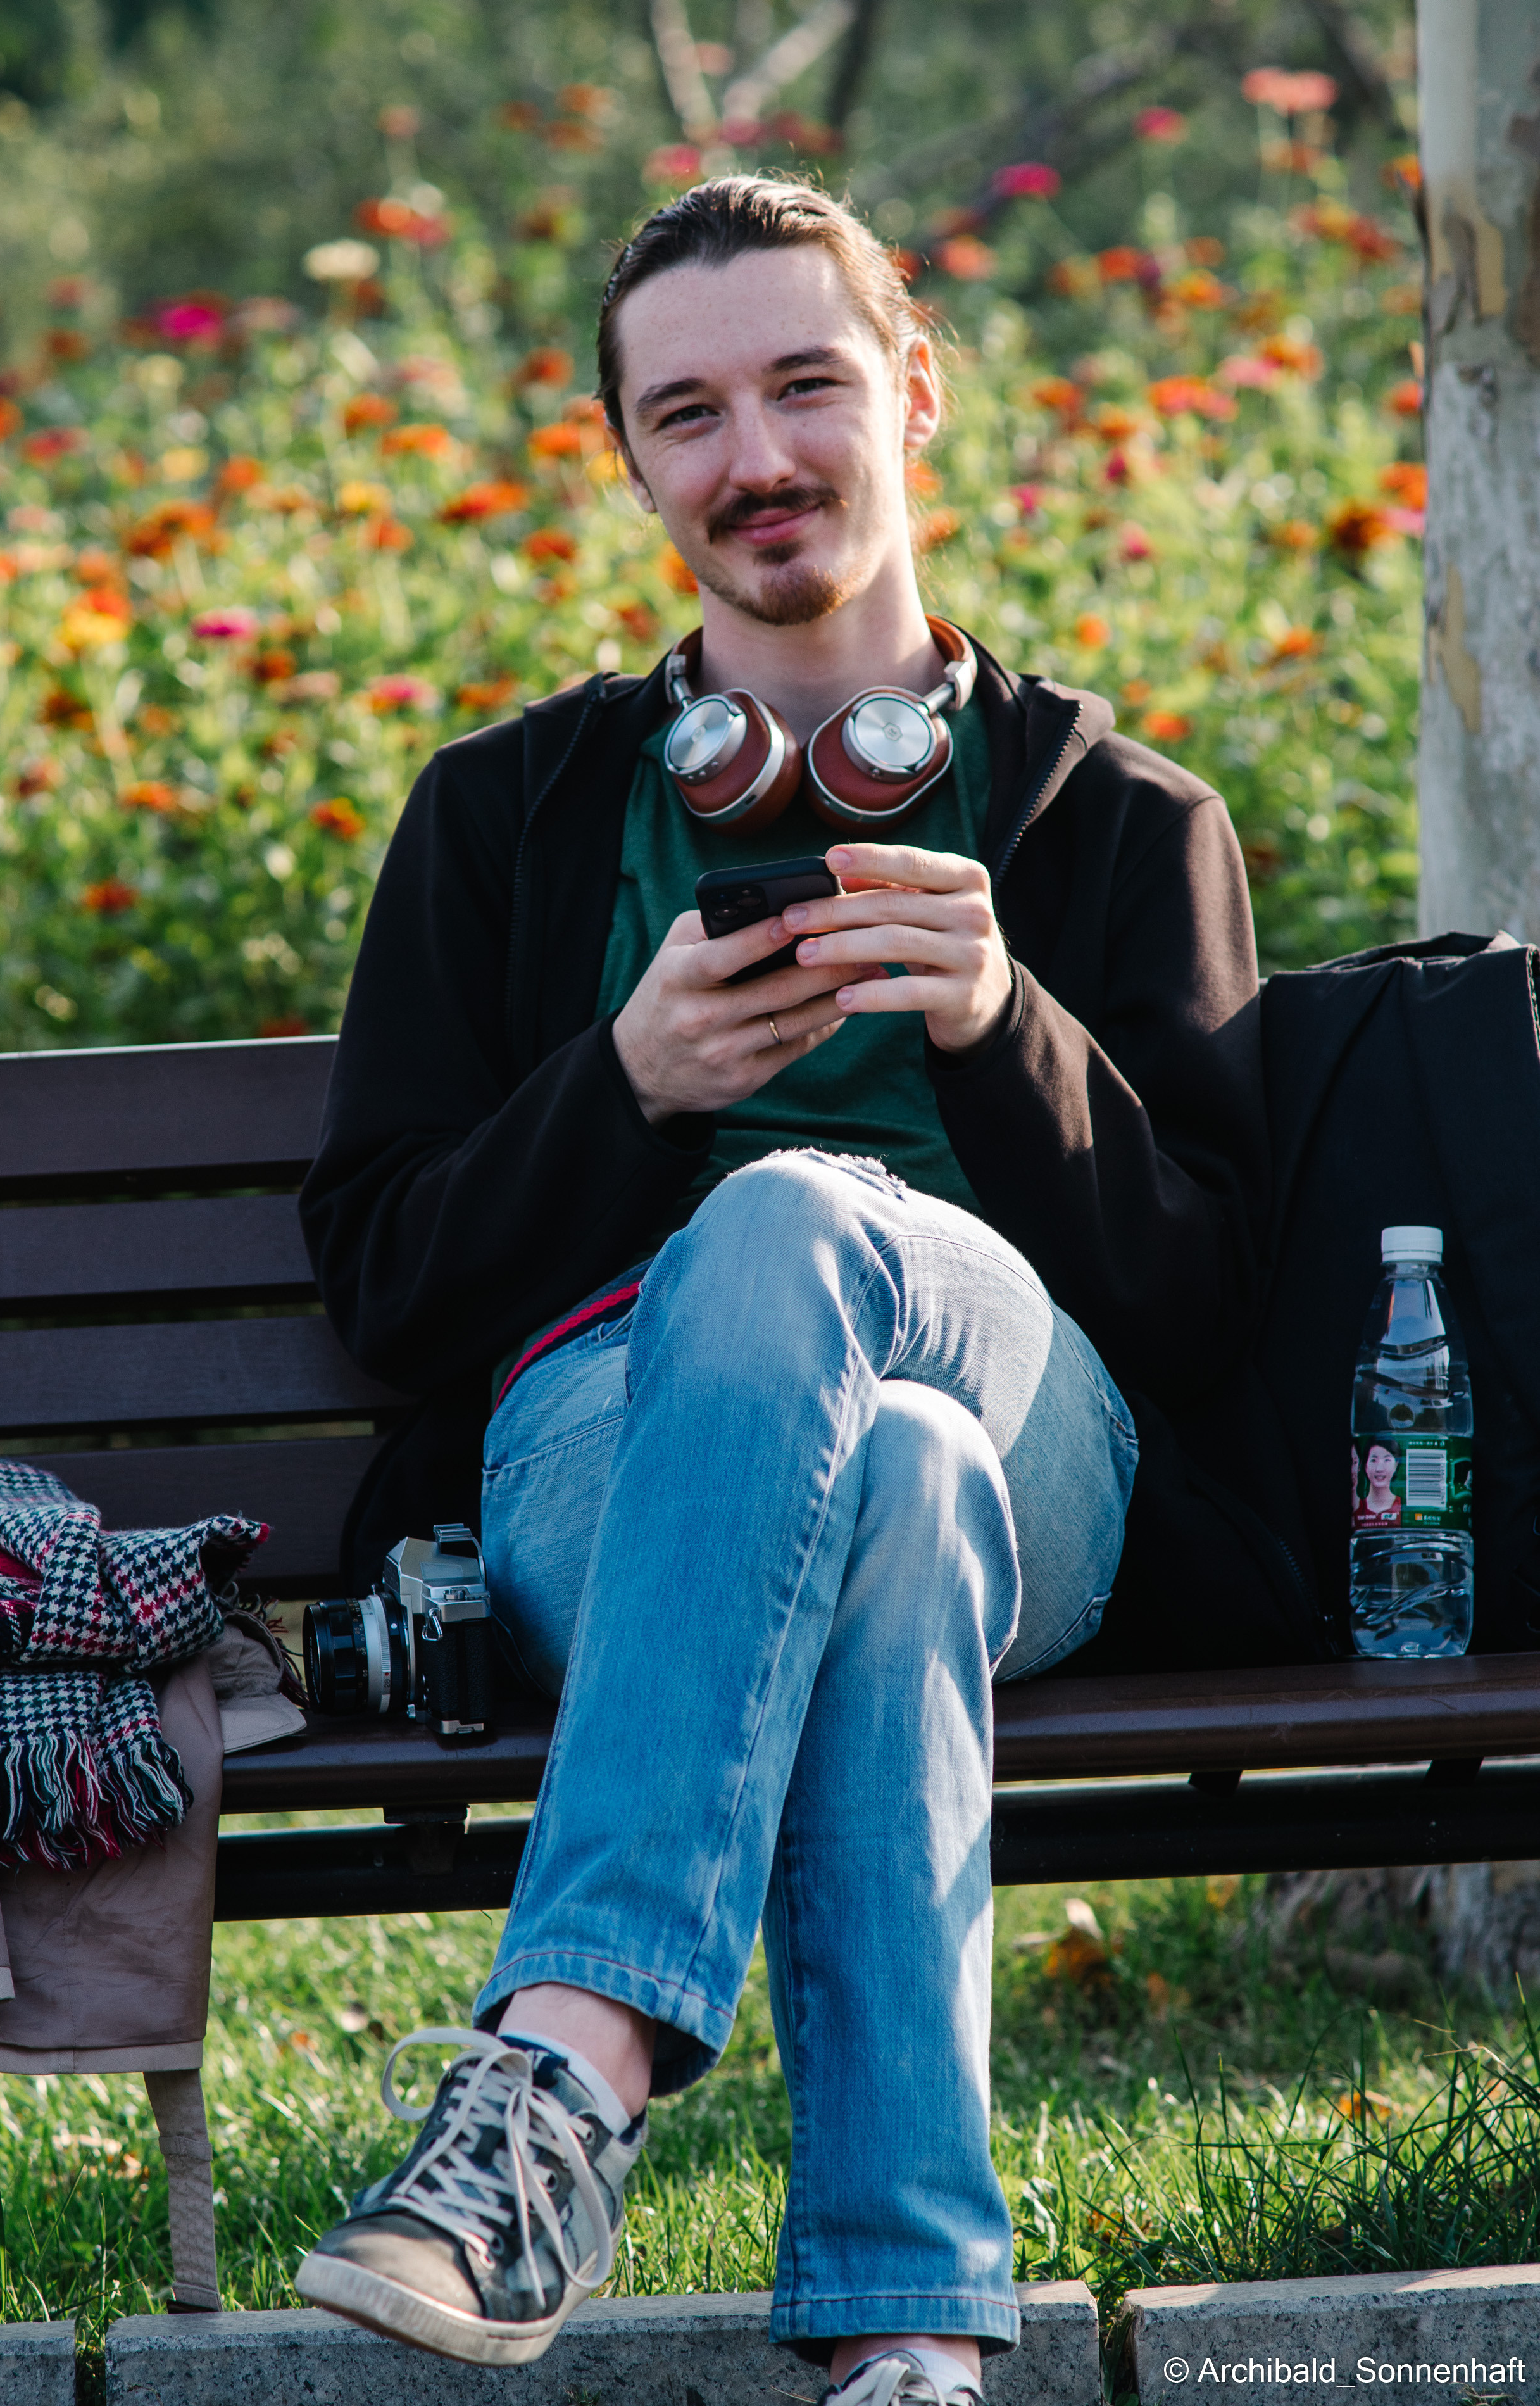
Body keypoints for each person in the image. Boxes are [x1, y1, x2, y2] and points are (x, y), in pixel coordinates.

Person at [296, 177, 1267, 2406]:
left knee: (813, 1242)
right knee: (887, 1484)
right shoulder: (505, 817)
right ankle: (914, 2331)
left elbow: (1211, 1314)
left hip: (1056, 1455)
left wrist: (1010, 1029)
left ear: (915, 392)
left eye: (809, 384)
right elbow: (382, 1280)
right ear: (630, 459)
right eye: (691, 412)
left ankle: (563, 2075)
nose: (758, 459)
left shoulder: (1123, 819)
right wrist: (620, 1092)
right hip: (599, 1477)